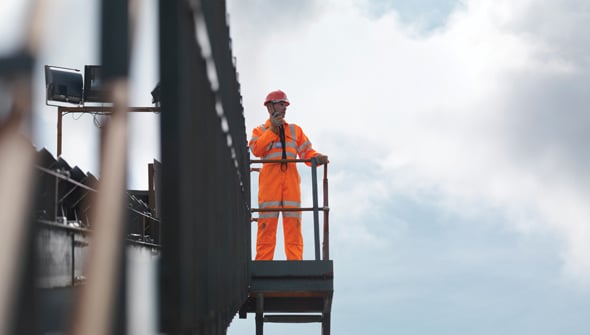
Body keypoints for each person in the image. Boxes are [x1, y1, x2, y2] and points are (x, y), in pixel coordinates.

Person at [249, 89, 329, 260]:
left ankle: (295, 263)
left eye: (285, 105)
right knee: (266, 227)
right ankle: (263, 263)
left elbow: (307, 152)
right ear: (270, 107)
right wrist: (272, 130)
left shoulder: (295, 131)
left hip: (291, 186)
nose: (284, 108)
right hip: (269, 187)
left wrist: (317, 158)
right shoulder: (260, 131)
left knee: (293, 227)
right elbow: (256, 150)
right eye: (281, 104)